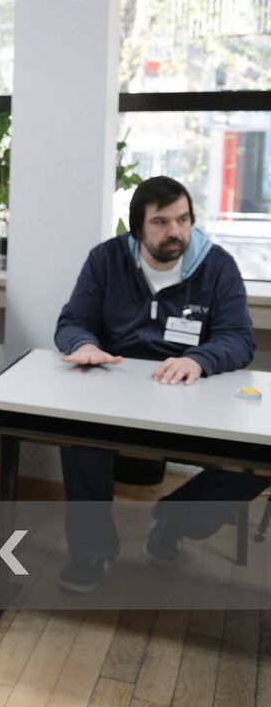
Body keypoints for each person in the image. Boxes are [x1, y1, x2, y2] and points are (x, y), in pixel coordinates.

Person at [54, 175, 264, 593]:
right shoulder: (106, 260)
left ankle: (175, 519)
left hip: (190, 395)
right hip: (114, 389)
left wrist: (199, 358)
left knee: (254, 461)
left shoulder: (216, 265)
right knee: (77, 436)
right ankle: (92, 551)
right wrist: (86, 345)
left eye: (183, 220)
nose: (176, 232)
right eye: (162, 222)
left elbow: (239, 338)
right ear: (137, 228)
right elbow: (73, 322)